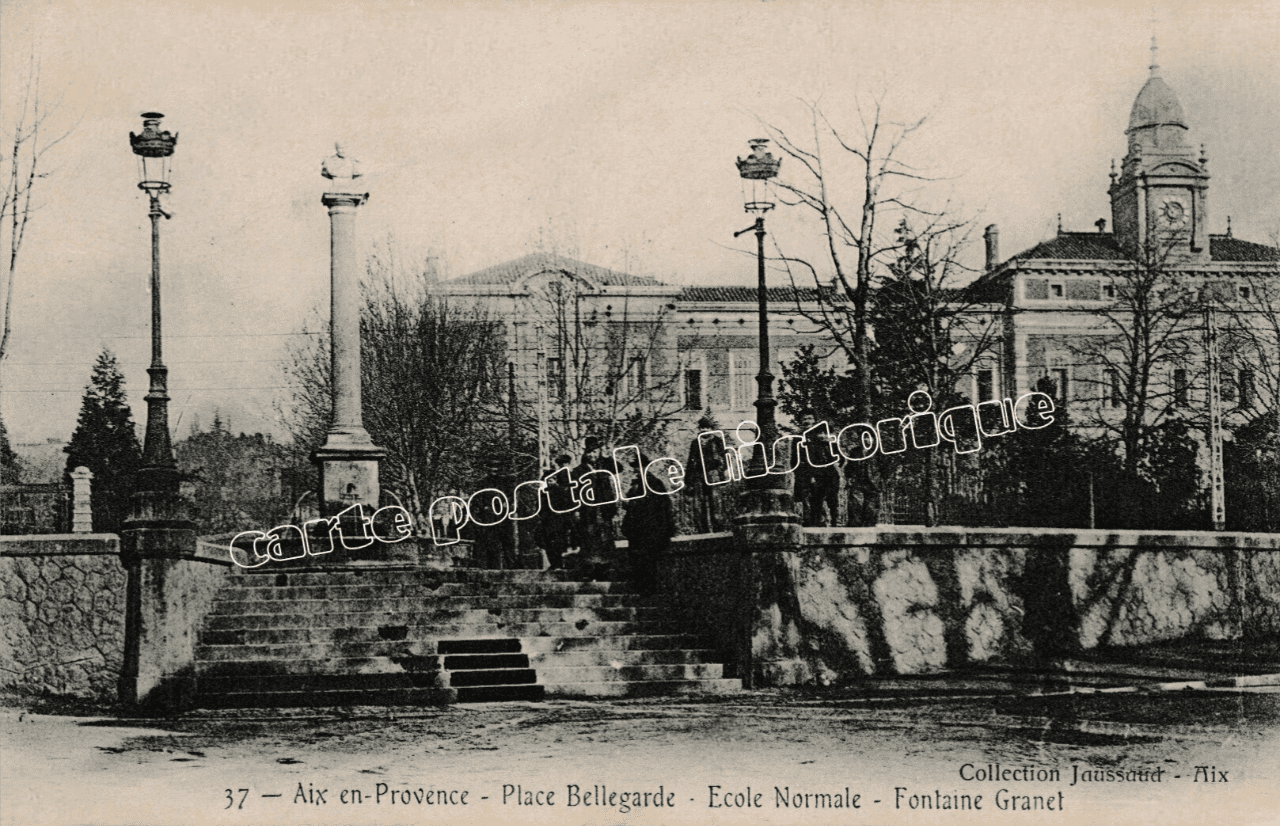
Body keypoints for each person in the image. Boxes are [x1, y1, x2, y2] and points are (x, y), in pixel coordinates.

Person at [621, 453, 676, 594]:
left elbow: (656, 506)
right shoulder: (637, 484)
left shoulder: (653, 483)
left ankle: (647, 590)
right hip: (637, 530)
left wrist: (631, 504)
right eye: (634, 467)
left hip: (648, 530)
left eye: (637, 467)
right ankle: (642, 589)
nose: (635, 470)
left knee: (647, 562)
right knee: (639, 562)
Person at [572, 436, 618, 577]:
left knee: (605, 540)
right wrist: (576, 510)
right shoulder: (578, 471)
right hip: (588, 511)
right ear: (585, 454)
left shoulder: (603, 467)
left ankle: (603, 571)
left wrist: (605, 456)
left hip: (604, 511)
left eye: (595, 451)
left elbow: (618, 468)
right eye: (590, 452)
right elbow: (574, 492)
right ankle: (589, 572)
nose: (593, 455)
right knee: (589, 541)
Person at [793, 408, 841, 527]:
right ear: (800, 421)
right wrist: (799, 473)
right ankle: (811, 523)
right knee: (807, 501)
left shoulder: (820, 435)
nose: (807, 421)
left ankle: (830, 521)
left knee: (826, 499)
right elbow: (794, 459)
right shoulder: (798, 438)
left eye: (810, 418)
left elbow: (831, 455)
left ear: (814, 420)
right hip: (804, 474)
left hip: (822, 474)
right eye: (804, 419)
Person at [537, 453, 578, 570]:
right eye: (548, 480)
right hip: (547, 520)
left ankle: (560, 564)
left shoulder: (562, 487)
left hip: (559, 519)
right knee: (546, 542)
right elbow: (540, 506)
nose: (550, 481)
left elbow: (566, 502)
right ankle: (555, 564)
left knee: (559, 542)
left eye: (552, 479)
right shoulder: (544, 492)